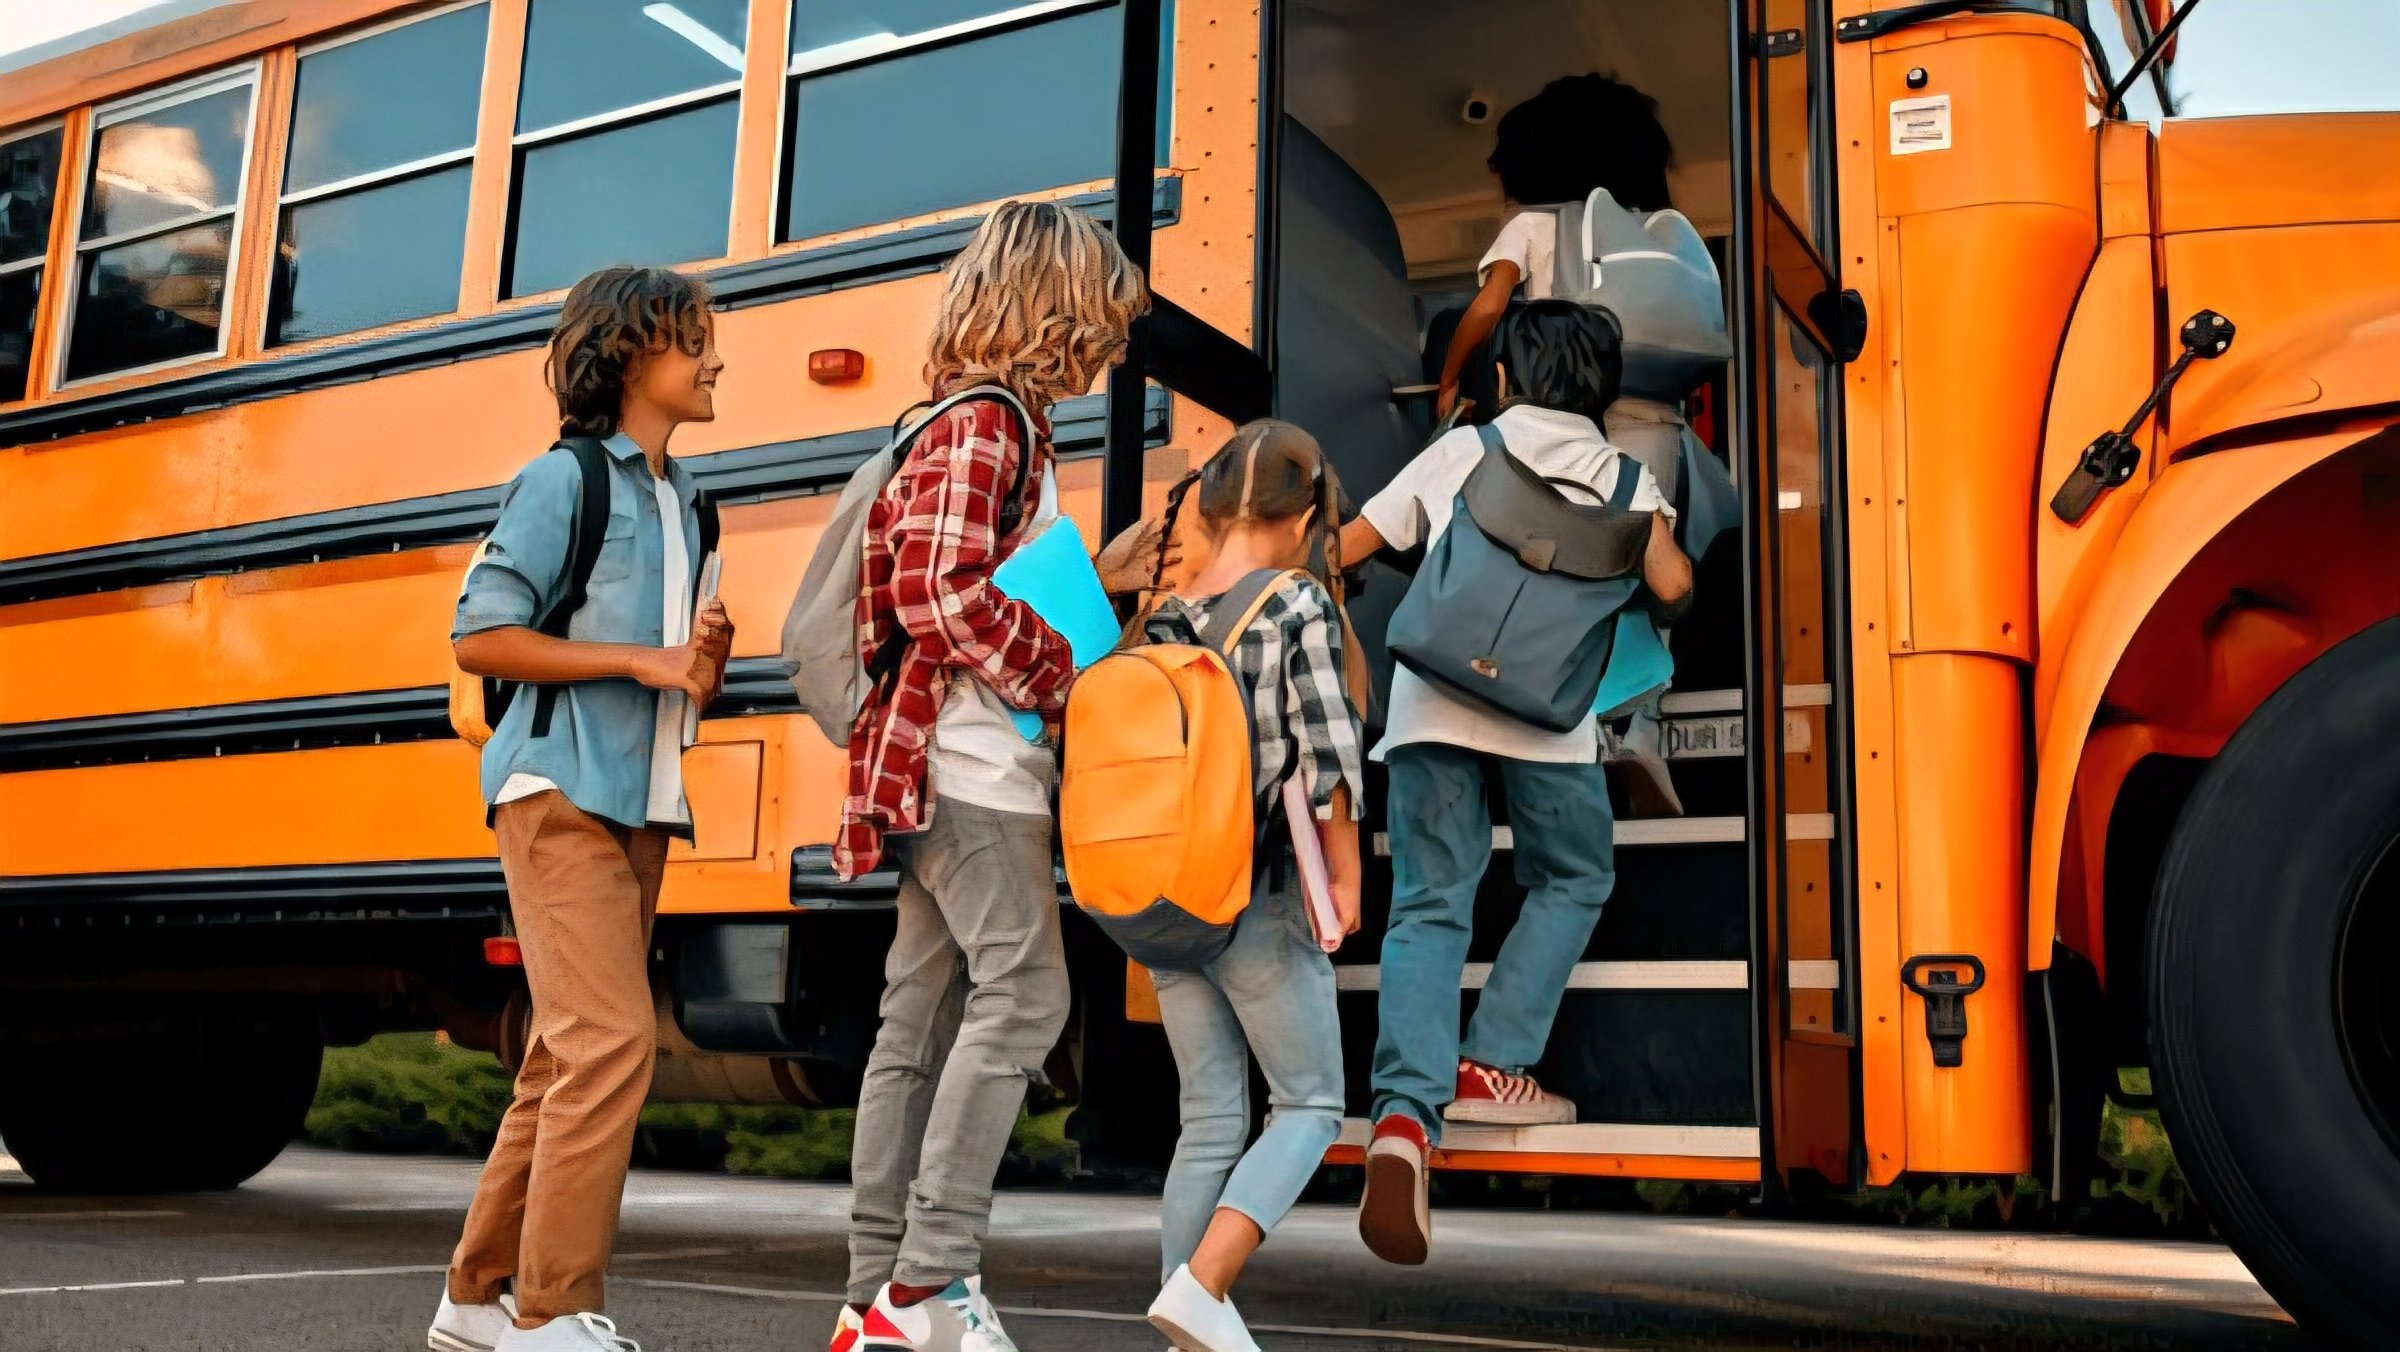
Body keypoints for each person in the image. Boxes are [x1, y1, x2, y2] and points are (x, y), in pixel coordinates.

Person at [830, 201, 1149, 1352]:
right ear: (1052, 309)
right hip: (972, 771)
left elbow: (973, 576)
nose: (1105, 352)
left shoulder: (978, 423)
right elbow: (937, 592)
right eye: (1099, 326)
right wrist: (1062, 672)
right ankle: (929, 1284)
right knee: (1027, 995)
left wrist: (1090, 580)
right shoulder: (991, 422)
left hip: (935, 760)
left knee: (913, 1023)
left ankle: (875, 1301)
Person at [1338, 299, 1693, 1267]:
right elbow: (1670, 587)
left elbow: (1349, 546)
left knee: (1428, 904)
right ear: (1601, 387)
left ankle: (1403, 1119)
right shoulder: (1628, 474)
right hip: (1549, 720)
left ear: (1503, 376)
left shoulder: (1468, 448)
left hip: (1429, 709)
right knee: (1573, 876)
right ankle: (1493, 1064)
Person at [432, 266, 735, 1352]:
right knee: (612, 1043)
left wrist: (699, 665)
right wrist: (641, 659)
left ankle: (474, 1297)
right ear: (628, 352)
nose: (715, 358)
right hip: (555, 785)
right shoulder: (564, 481)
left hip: (642, 798)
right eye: (693, 339)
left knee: (564, 1055)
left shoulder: (691, 499)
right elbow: (481, 633)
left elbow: (675, 670)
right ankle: (552, 1310)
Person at [1135, 421, 1369, 1352]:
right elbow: (1328, 759)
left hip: (1163, 899)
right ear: (1305, 516)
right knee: (1310, 1105)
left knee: (1209, 1120)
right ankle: (1205, 1284)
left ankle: (1183, 1318)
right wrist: (1346, 877)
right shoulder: (1296, 604)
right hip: (1256, 892)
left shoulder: (1162, 615)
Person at [1433, 73, 1727, 808]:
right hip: (1657, 426)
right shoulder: (1660, 233)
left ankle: (1578, 726)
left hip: (1571, 435)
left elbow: (1486, 310)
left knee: (1565, 579)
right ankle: (1646, 726)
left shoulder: (1536, 226)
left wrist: (1448, 377)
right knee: (1648, 577)